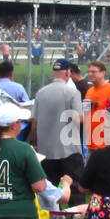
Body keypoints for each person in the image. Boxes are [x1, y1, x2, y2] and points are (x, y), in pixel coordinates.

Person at [30, 57, 84, 190]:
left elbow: (34, 122)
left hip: (46, 151)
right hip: (69, 150)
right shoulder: (72, 92)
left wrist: (35, 144)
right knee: (74, 187)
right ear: (68, 73)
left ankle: (53, 211)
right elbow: (78, 119)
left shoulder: (40, 93)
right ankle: (74, 211)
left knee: (50, 189)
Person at [83, 60, 110, 149]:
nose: (90, 74)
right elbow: (86, 114)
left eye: (93, 72)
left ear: (103, 73)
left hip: (106, 145)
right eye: (89, 72)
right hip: (91, 144)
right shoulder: (89, 91)